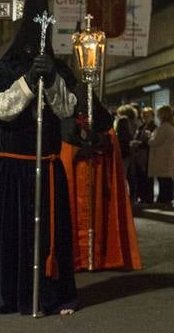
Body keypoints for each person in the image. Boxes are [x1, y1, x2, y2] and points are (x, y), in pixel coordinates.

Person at [0, 0, 78, 316]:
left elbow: (68, 109)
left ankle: (55, 295)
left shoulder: (59, 69)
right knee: (12, 236)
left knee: (50, 235)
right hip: (13, 169)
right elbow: (3, 109)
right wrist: (29, 81)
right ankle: (4, 296)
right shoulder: (1, 70)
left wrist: (49, 78)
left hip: (47, 167)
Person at [60, 84, 142, 272]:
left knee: (94, 216)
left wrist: (95, 140)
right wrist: (77, 146)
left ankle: (93, 256)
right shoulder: (62, 110)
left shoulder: (100, 116)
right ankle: (79, 257)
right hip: (73, 171)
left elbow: (108, 139)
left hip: (93, 170)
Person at [147, 104, 174, 206]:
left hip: (163, 157)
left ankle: (164, 200)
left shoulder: (164, 127)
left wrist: (149, 136)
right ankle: (164, 199)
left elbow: (155, 141)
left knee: (164, 180)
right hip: (167, 156)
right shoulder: (170, 126)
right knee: (165, 179)